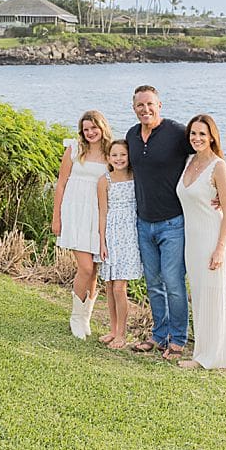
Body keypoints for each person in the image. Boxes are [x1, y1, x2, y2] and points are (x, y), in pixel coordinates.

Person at [125, 85, 193, 360]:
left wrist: (215, 189)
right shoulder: (131, 135)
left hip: (172, 223)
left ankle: (178, 339)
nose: (145, 109)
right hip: (143, 223)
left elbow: (206, 153)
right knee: (153, 283)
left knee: (174, 283)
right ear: (134, 108)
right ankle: (158, 335)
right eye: (140, 105)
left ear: (159, 105)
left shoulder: (176, 132)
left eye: (150, 104)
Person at [176, 113, 226, 369]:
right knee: (201, 297)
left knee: (214, 296)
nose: (197, 138)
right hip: (193, 242)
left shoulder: (218, 166)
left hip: (213, 239)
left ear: (212, 137)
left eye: (202, 133)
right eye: (193, 133)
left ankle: (208, 358)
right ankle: (206, 353)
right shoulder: (188, 161)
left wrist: (220, 248)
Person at [52, 109, 113, 339]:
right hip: (75, 212)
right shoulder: (74, 149)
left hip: (98, 214)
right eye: (86, 129)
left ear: (102, 127)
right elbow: (61, 184)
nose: (90, 132)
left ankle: (86, 317)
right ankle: (76, 317)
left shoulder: (111, 152)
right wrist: (56, 217)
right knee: (85, 267)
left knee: (94, 269)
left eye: (94, 128)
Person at [96, 139, 141, 349]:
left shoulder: (136, 177)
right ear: (108, 158)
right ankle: (113, 330)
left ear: (129, 156)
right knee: (109, 285)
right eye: (114, 155)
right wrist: (102, 242)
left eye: (123, 154)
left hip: (129, 235)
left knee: (119, 287)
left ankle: (122, 334)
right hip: (111, 235)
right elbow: (102, 212)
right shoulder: (104, 180)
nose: (119, 159)